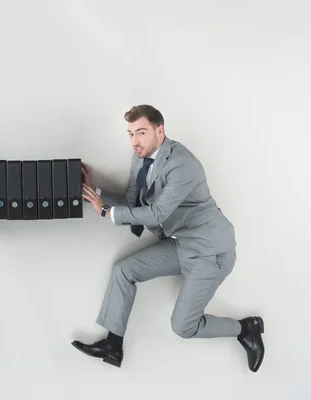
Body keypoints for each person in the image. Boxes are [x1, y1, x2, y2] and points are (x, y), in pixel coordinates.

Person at [74, 104, 265, 372]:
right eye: (130, 134)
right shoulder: (141, 157)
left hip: (211, 252)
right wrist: (96, 191)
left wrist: (105, 211)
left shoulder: (182, 164)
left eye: (141, 133)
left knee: (183, 327)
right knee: (124, 270)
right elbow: (132, 203)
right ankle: (113, 345)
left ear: (159, 131)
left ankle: (246, 328)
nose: (134, 142)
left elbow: (156, 213)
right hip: (182, 244)